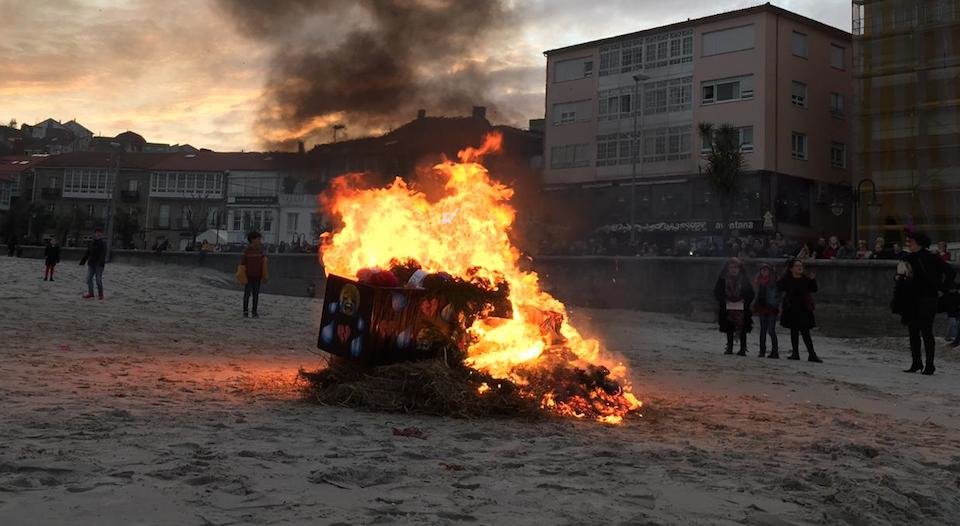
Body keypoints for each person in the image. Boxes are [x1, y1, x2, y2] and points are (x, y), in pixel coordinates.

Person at [900, 231, 955, 375]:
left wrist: (943, 287)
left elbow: (950, 271)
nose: (908, 244)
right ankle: (917, 363)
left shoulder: (930, 257)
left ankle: (928, 365)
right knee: (914, 332)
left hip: (927, 299)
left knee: (925, 332)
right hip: (914, 299)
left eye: (910, 242)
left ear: (918, 243)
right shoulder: (909, 258)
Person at [778, 259, 822, 362]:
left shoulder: (806, 279)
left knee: (805, 333)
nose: (800, 267)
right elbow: (780, 287)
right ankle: (795, 353)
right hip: (791, 309)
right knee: (794, 332)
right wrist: (778, 279)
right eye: (797, 265)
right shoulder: (787, 279)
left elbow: (814, 289)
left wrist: (812, 280)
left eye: (801, 265)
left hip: (804, 309)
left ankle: (812, 354)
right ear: (791, 268)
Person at [714, 258, 755, 356]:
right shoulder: (722, 279)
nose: (734, 269)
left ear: (739, 268)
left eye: (736, 267)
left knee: (743, 329)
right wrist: (724, 300)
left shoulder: (744, 279)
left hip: (742, 308)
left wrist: (744, 300)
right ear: (727, 268)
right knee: (729, 329)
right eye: (731, 267)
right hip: (727, 306)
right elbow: (717, 292)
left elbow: (751, 293)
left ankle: (743, 348)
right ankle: (729, 347)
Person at [237, 231, 269, 318]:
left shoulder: (260, 251)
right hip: (248, 276)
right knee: (247, 294)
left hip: (257, 276)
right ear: (252, 240)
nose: (259, 241)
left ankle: (254, 312)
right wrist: (242, 276)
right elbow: (242, 264)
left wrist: (264, 276)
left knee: (255, 295)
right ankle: (245, 311)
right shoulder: (247, 251)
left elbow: (264, 264)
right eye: (258, 239)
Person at [752, 263, 781, 359]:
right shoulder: (759, 282)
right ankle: (762, 351)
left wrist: (776, 305)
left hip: (771, 308)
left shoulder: (774, 281)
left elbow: (778, 295)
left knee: (771, 330)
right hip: (762, 307)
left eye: (766, 270)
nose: (764, 271)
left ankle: (775, 351)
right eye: (762, 270)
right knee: (763, 330)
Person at [79, 228, 107, 300]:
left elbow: (103, 254)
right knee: (89, 279)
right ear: (94, 234)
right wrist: (83, 261)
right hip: (91, 263)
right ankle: (91, 294)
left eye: (99, 233)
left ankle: (101, 295)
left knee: (98, 280)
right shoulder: (91, 243)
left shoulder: (103, 243)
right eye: (97, 232)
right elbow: (87, 252)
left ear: (101, 234)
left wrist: (101, 263)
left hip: (99, 264)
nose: (98, 234)